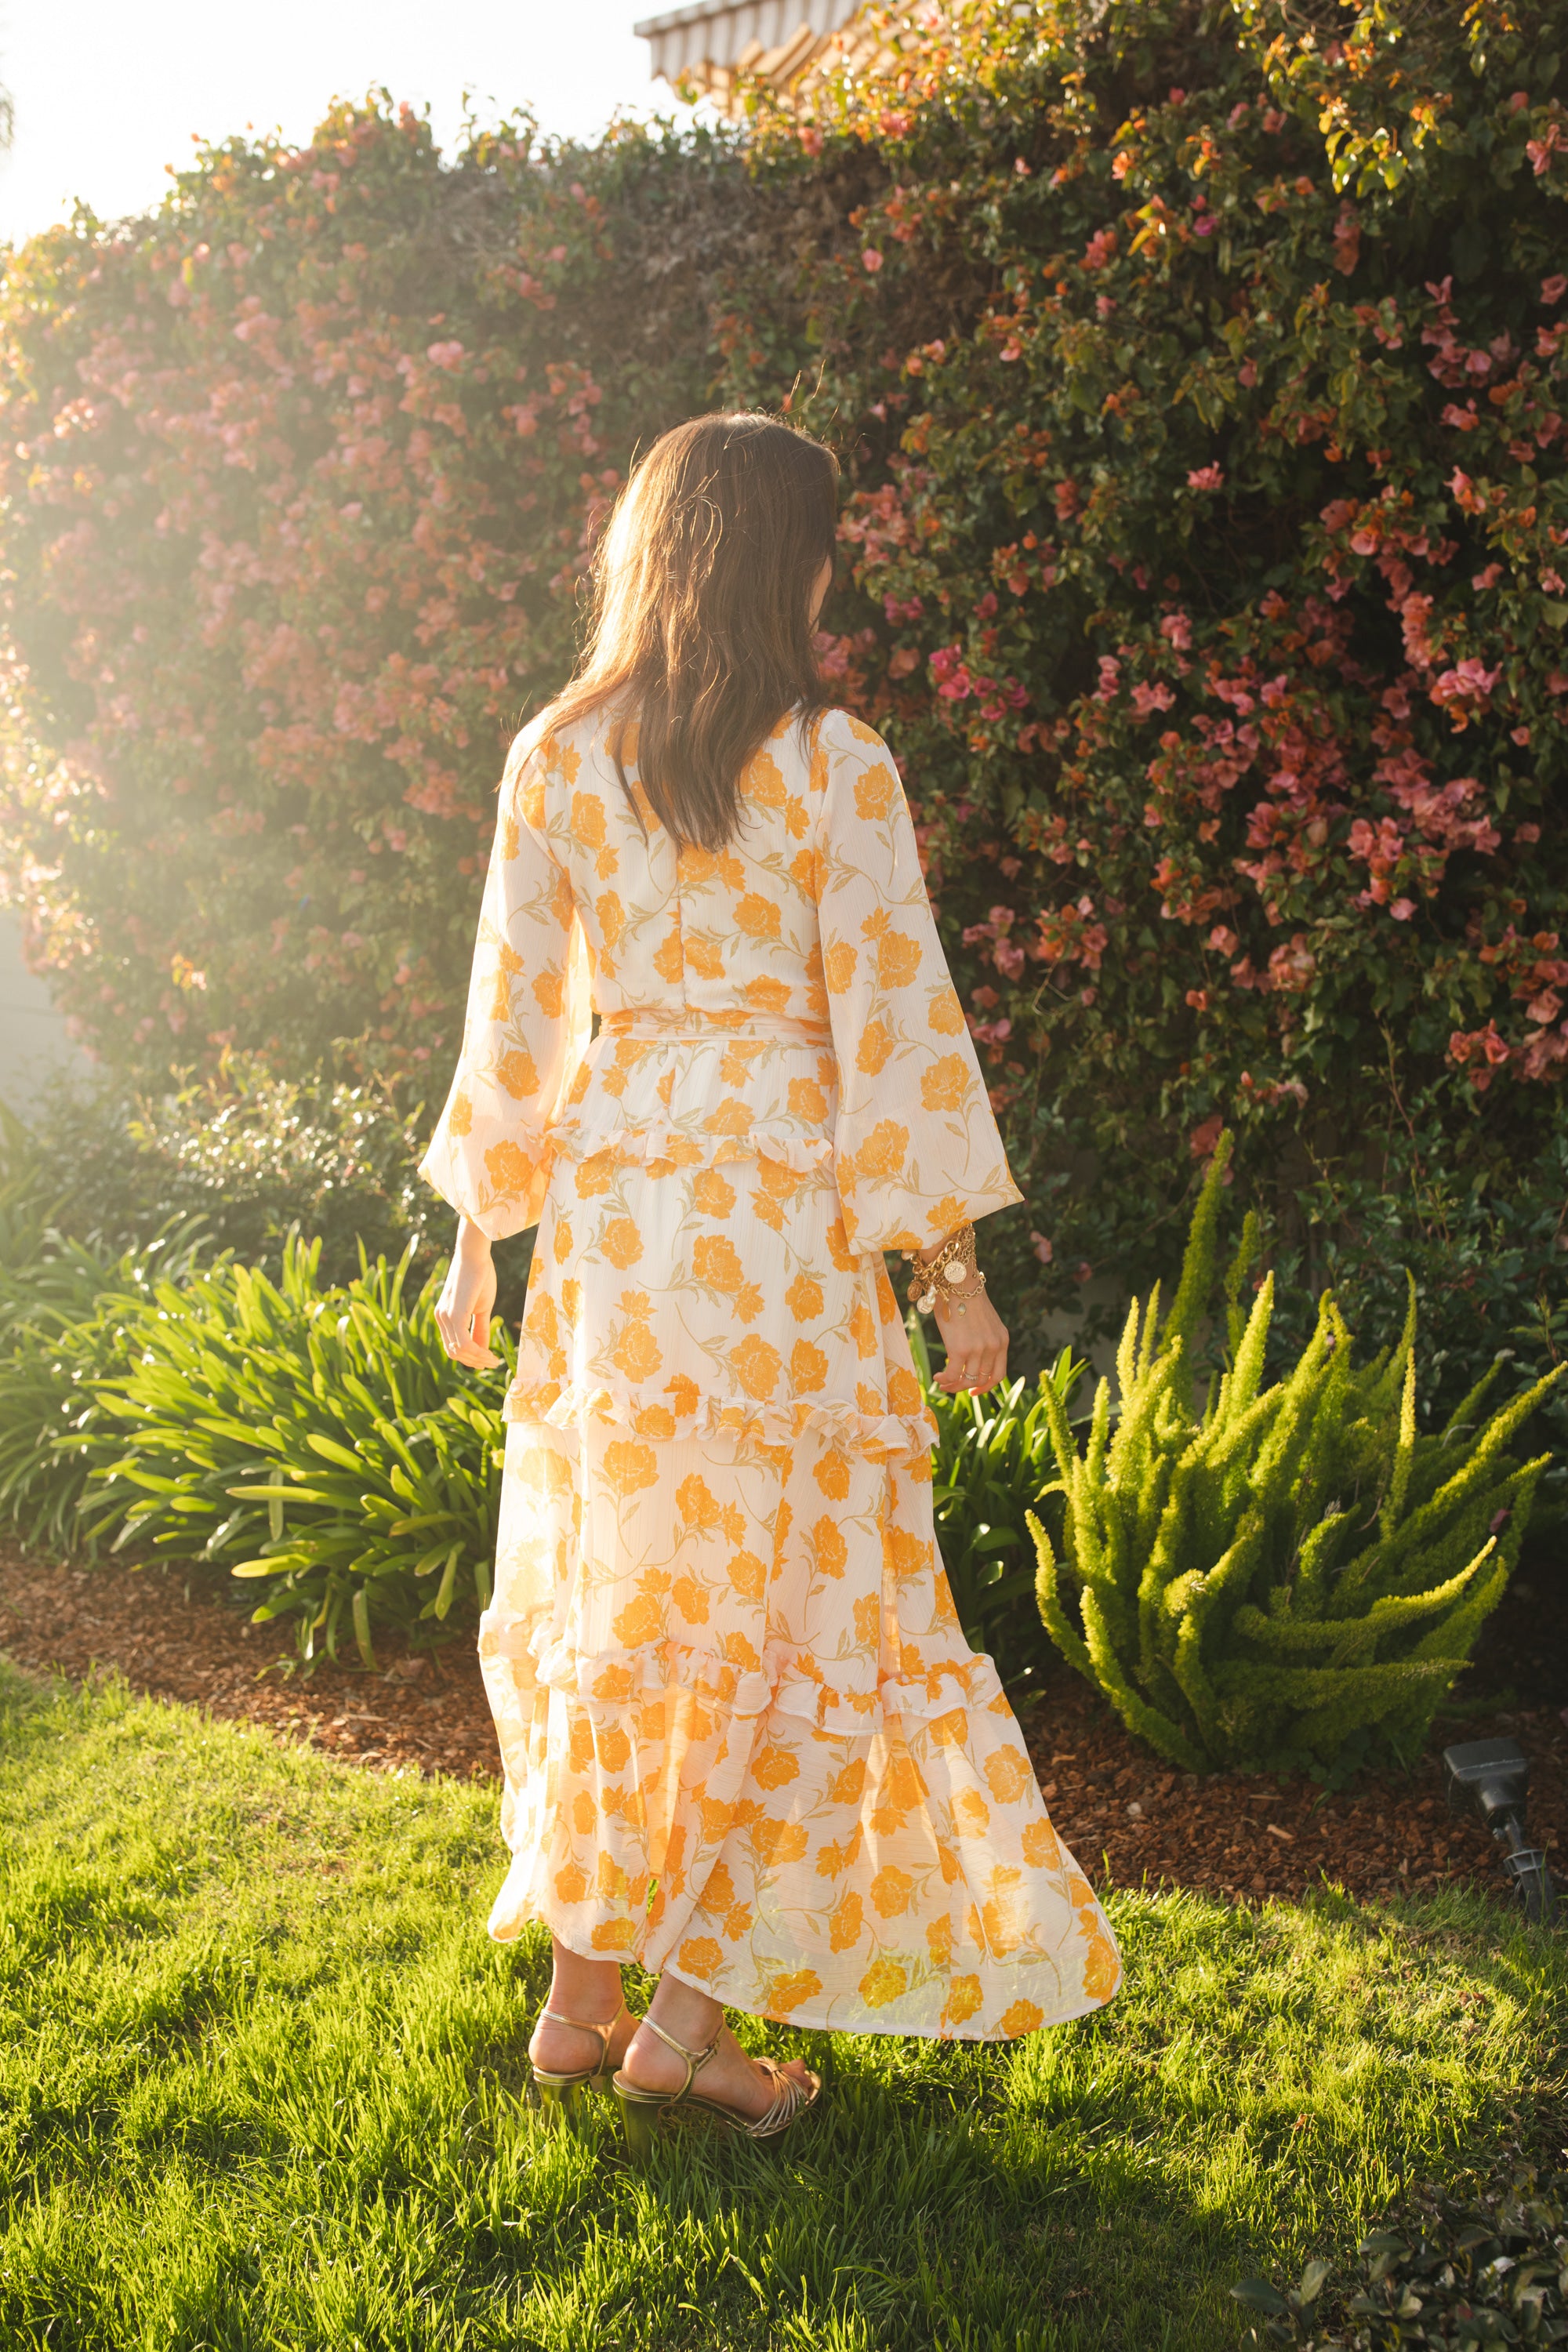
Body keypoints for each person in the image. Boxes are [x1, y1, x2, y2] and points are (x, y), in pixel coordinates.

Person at [421, 411, 1121, 2152]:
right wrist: (951, 1279)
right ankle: (685, 2030)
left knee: (633, 1603)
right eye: (821, 547)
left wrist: (475, 1238)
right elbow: (896, 1038)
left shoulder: (556, 754)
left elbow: (514, 1019)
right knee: (791, 1615)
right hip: (783, 1230)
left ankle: (584, 2006)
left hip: (616, 1224)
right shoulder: (833, 765)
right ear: (778, 563)